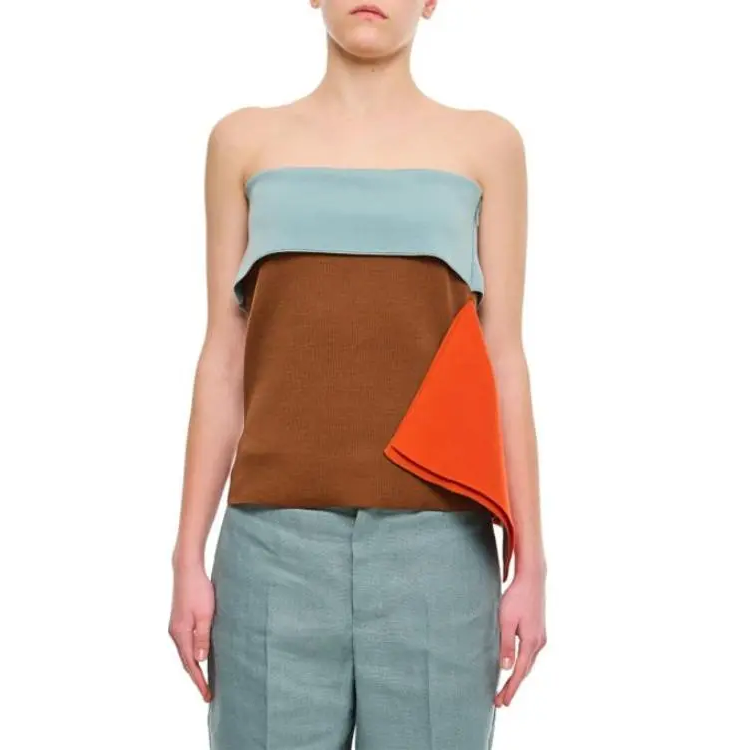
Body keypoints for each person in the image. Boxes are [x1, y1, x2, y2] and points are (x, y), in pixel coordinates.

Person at [169, 1, 547, 748]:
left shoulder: (487, 145)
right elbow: (224, 354)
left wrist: (530, 564)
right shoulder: (243, 141)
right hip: (271, 548)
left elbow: (504, 355)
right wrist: (187, 554)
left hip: (441, 550)